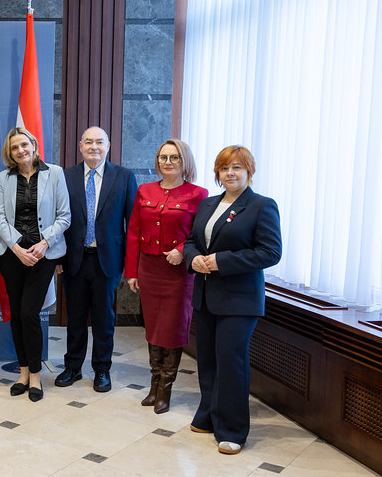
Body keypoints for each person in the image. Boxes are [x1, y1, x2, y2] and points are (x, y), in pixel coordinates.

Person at [184, 145, 281, 455]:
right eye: (225, 168)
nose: (230, 173)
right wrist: (193, 258)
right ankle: (209, 416)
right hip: (206, 296)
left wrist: (220, 261)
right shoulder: (208, 204)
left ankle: (233, 430)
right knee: (208, 361)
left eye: (237, 167)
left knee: (231, 363)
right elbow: (191, 241)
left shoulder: (262, 206)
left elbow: (270, 252)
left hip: (239, 300)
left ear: (249, 171)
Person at [125, 139, 208, 413]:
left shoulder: (198, 194)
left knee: (172, 328)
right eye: (163, 157)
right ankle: (153, 385)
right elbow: (134, 232)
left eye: (174, 157)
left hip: (177, 273)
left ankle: (165, 389)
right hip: (149, 269)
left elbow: (200, 234)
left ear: (185, 161)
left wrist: (182, 251)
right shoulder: (145, 190)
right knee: (153, 327)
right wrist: (132, 272)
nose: (168, 162)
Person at [55, 126, 138, 393]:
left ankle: (102, 369)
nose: (94, 147)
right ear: (80, 146)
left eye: (99, 142)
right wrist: (57, 257)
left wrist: (131, 264)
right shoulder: (65, 176)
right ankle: (73, 367)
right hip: (74, 258)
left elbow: (133, 224)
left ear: (108, 146)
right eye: (88, 142)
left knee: (104, 320)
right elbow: (58, 217)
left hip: (108, 260)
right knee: (75, 317)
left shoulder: (124, 177)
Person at [0, 127, 70, 402]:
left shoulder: (55, 173)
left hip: (43, 255)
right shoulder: (3, 178)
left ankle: (36, 375)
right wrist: (16, 248)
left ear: (34, 145)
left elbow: (64, 216)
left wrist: (44, 243)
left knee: (29, 313)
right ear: (10, 152)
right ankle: (23, 372)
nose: (20, 150)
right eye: (14, 147)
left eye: (24, 145)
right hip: (12, 254)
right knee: (16, 313)